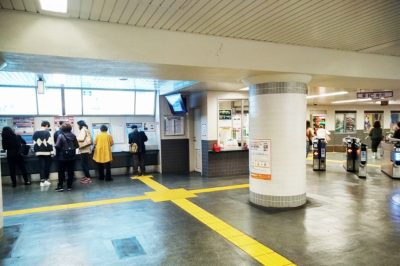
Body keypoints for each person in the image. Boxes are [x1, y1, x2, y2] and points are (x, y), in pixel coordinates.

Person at [54, 123, 79, 192]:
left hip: (62, 157)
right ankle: (69, 186)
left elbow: (57, 146)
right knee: (70, 172)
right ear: (70, 129)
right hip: (72, 156)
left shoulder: (60, 136)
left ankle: (60, 186)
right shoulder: (73, 136)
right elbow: (77, 146)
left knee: (61, 172)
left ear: (62, 129)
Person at [32, 121, 54, 187]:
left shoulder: (35, 133)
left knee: (41, 167)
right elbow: (49, 143)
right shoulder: (47, 133)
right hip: (47, 152)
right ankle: (46, 180)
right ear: (46, 125)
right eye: (48, 127)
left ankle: (42, 181)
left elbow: (34, 143)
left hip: (39, 152)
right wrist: (52, 152)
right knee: (47, 166)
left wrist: (36, 151)